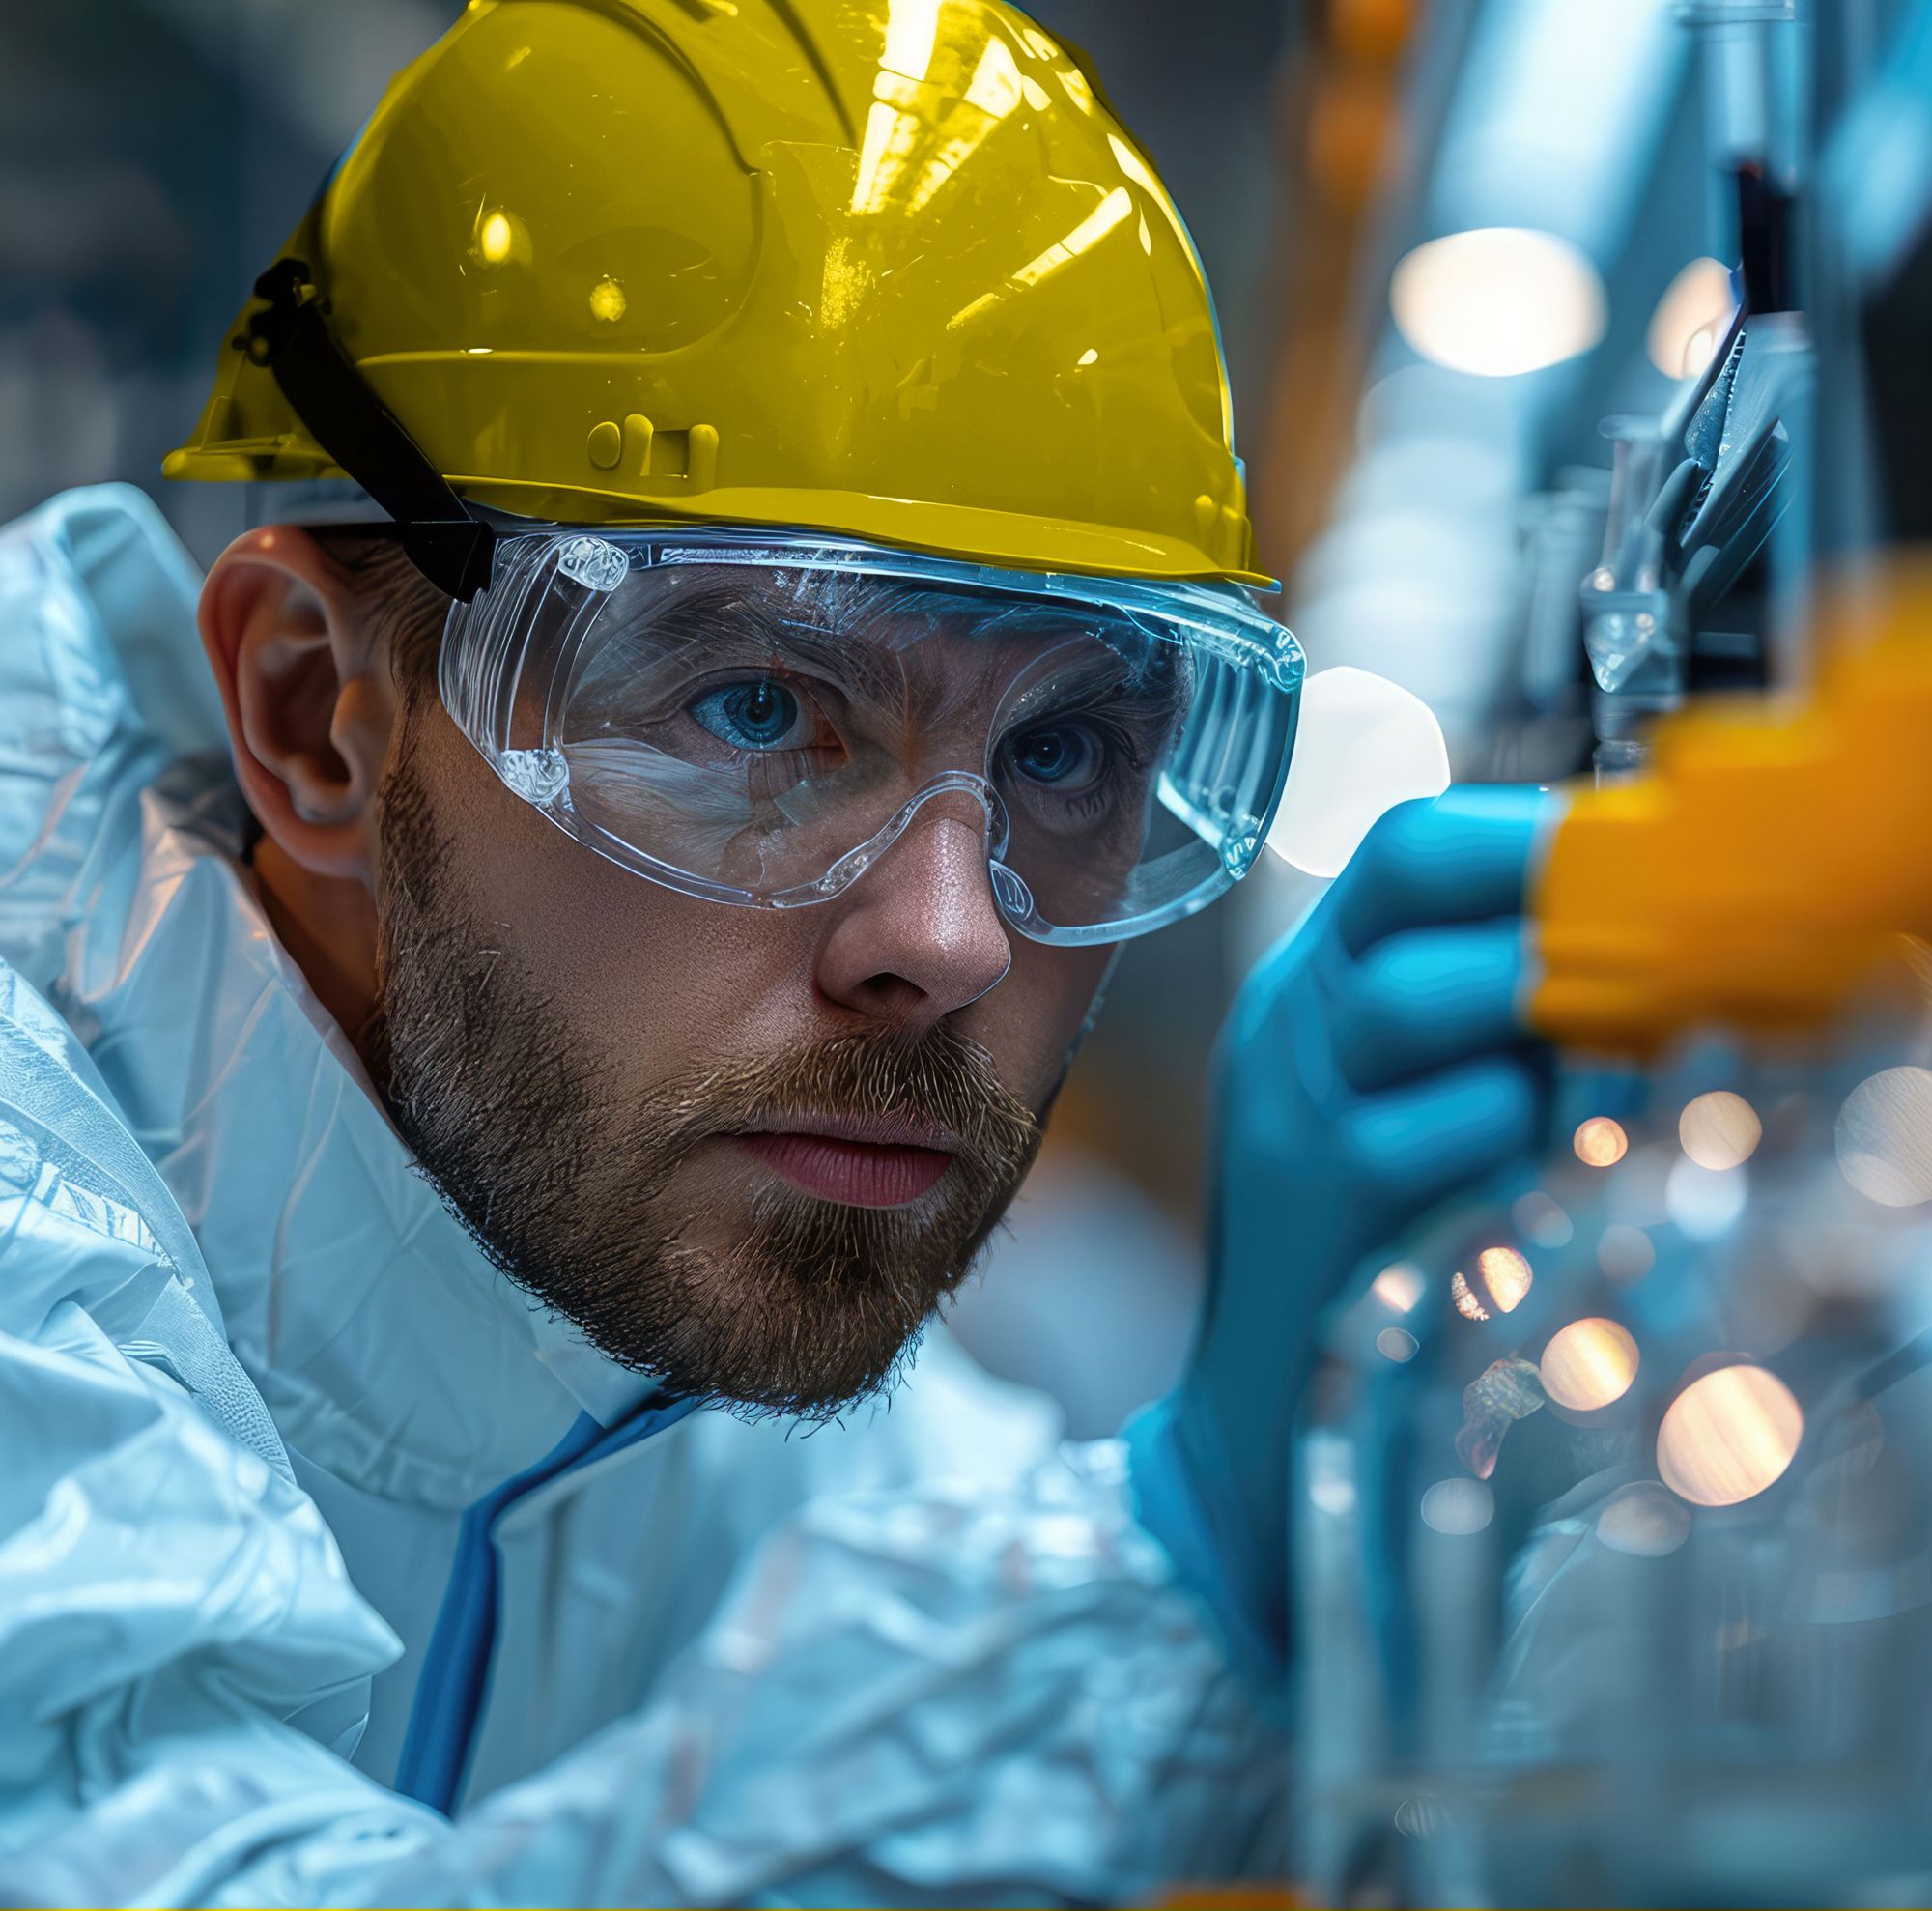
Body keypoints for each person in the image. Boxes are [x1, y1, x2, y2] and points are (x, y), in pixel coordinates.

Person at [0, 1, 1548, 1900]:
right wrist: (1180, 1555)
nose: (951, 940)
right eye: (751, 707)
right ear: (321, 716)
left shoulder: (711, 1378)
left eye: (1064, 748)